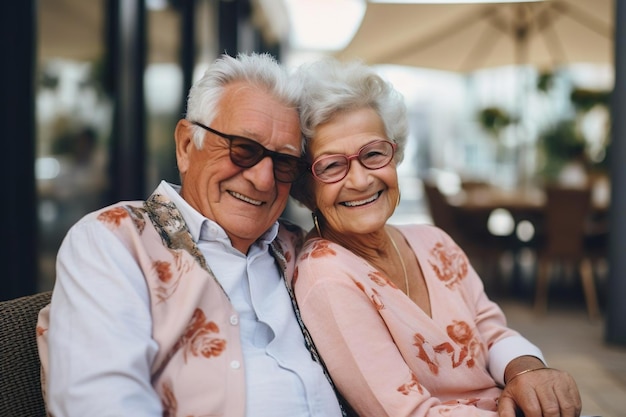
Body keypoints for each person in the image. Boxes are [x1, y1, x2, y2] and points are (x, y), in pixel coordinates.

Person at [36, 52, 347, 417]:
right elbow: (100, 404)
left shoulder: (305, 253)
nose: (263, 179)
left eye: (284, 162)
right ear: (187, 145)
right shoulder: (115, 240)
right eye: (243, 149)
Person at [289, 58, 583, 417]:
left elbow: (491, 332)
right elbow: (408, 412)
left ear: (395, 156)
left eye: (373, 154)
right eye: (332, 165)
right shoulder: (327, 277)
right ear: (305, 187)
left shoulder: (433, 241)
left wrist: (528, 371)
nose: (361, 180)